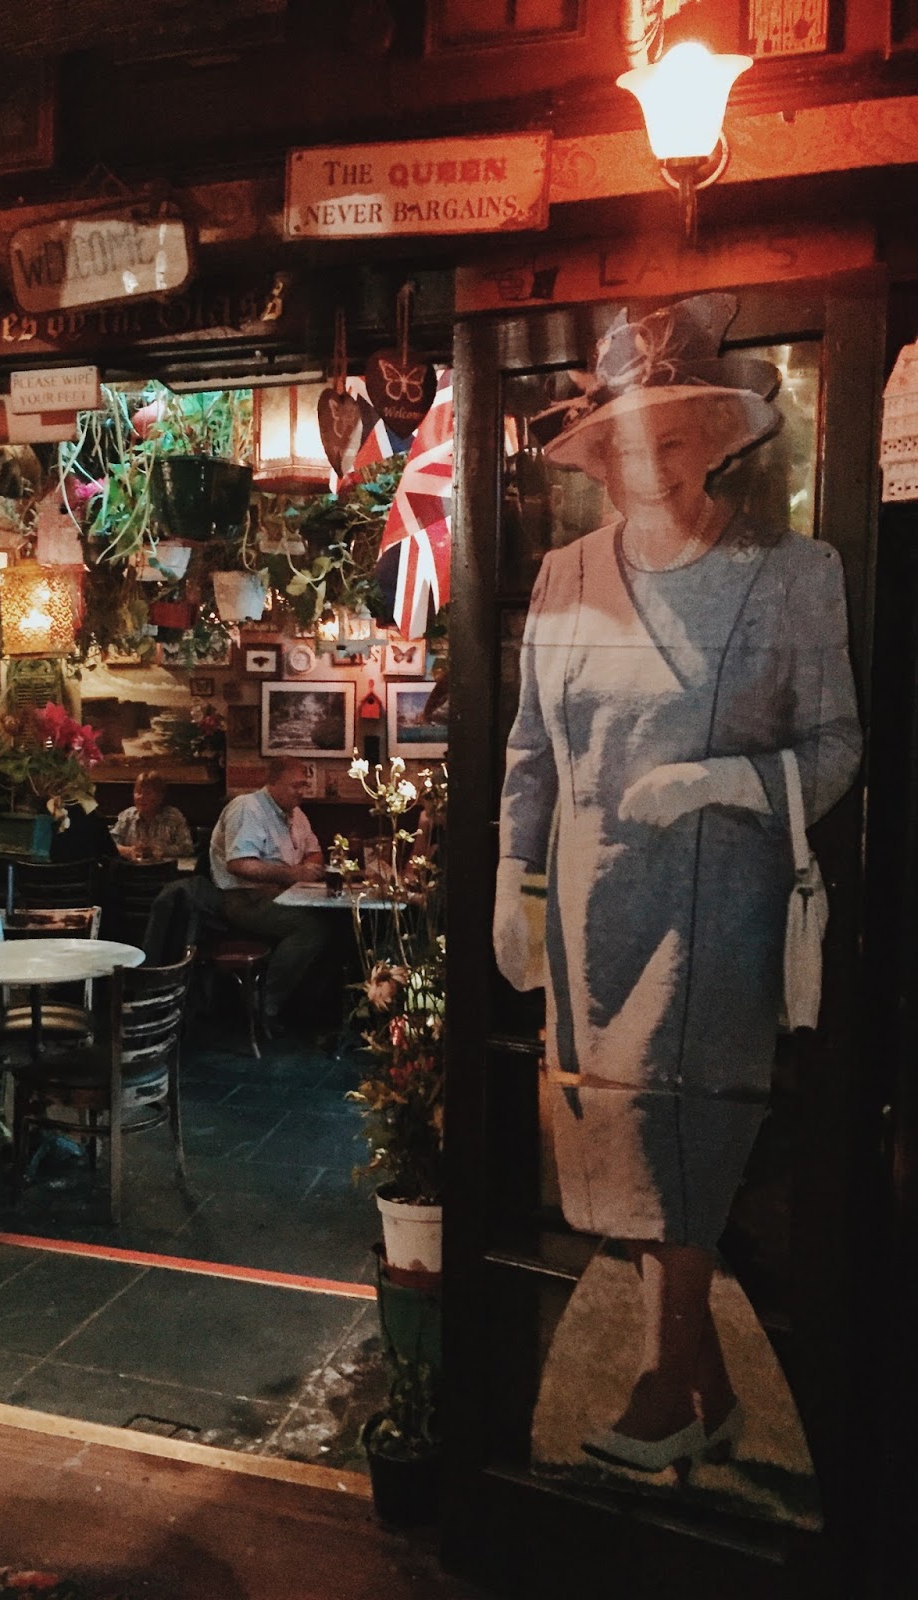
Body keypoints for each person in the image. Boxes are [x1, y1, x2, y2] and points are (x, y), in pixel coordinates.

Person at [492, 293, 861, 1476]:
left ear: (715, 444)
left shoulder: (790, 576)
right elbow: (530, 751)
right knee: (615, 1128)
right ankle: (711, 1390)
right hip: (591, 906)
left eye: (673, 439)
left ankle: (667, 1387)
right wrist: (510, 877)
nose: (648, 464)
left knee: (680, 1127)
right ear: (598, 456)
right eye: (626, 443)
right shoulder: (562, 578)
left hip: (716, 908)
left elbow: (837, 747)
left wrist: (723, 782)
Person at [209, 755, 333, 1028]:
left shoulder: (296, 814)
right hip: (244, 898)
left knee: (337, 922)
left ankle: (313, 1007)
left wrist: (306, 870)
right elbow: (239, 864)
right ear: (273, 782)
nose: (302, 792)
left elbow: (315, 853)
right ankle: (264, 1003)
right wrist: (293, 874)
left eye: (304, 785)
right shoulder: (247, 808)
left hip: (284, 894)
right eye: (296, 786)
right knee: (311, 928)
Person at [110, 772, 193, 862]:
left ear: (160, 797)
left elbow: (187, 848)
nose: (141, 797)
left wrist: (157, 850)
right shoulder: (127, 816)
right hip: (132, 868)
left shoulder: (173, 817)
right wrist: (129, 850)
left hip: (163, 868)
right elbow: (109, 844)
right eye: (138, 792)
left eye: (147, 793)